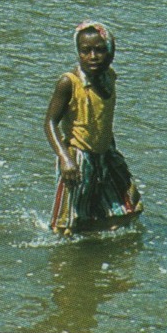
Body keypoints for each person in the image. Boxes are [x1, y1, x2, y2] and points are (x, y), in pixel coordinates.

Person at [44, 22, 141, 235]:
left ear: (110, 51)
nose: (93, 56)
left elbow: (102, 118)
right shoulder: (69, 83)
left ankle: (91, 236)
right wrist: (64, 158)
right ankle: (72, 256)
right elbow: (50, 122)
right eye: (86, 51)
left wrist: (111, 151)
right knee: (65, 225)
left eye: (100, 50)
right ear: (78, 53)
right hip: (77, 157)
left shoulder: (109, 78)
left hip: (104, 152)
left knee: (131, 206)